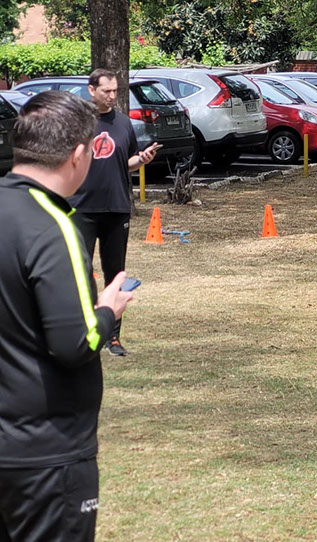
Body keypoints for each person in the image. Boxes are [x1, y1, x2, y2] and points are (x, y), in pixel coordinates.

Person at [0, 91, 133, 541]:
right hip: (44, 455)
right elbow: (76, 342)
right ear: (79, 154)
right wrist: (108, 311)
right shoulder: (55, 226)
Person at [69, 68, 159, 356]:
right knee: (80, 274)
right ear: (91, 90)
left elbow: (127, 160)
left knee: (115, 274)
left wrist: (141, 159)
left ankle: (112, 337)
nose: (111, 96)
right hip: (82, 208)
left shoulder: (123, 123)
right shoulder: (78, 121)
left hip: (117, 208)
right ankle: (80, 332)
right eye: (106, 91)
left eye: (115, 91)